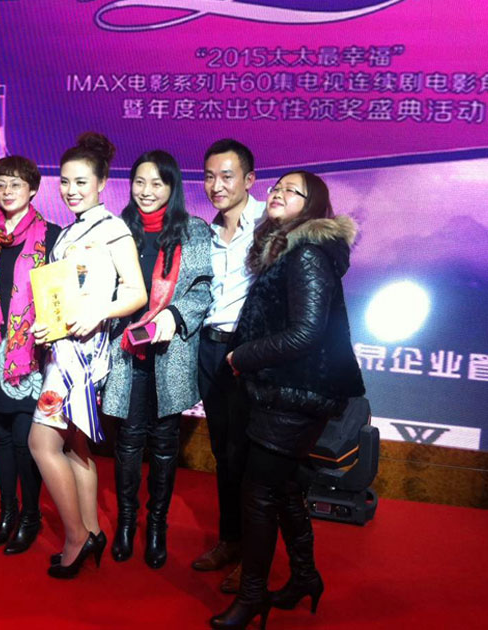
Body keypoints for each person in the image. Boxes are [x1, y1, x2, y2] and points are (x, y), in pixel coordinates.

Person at [210, 171, 365, 629]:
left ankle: (252, 596)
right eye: (276, 187)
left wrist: (242, 356)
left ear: (312, 206)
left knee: (259, 493)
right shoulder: (287, 249)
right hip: (287, 389)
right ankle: (304, 577)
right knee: (285, 487)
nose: (278, 193)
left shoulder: (308, 253)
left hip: (298, 393)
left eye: (291, 191)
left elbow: (306, 333)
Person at [28, 132, 147, 579]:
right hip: (62, 349)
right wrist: (48, 327)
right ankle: (93, 531)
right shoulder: (69, 232)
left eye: (81, 181)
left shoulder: (113, 229)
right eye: (65, 181)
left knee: (41, 443)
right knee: (75, 445)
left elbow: (135, 292)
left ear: (101, 183)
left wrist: (99, 312)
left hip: (83, 355)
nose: (71, 189)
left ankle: (75, 537)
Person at [102, 150, 211, 569]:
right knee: (128, 441)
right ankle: (127, 523)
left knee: (165, 444)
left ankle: (157, 526)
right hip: (125, 352)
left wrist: (174, 314)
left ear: (172, 186)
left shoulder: (193, 231)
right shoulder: (118, 229)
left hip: (170, 351)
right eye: (139, 182)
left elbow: (202, 290)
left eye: (157, 183)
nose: (146, 191)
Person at [0, 156, 60, 554]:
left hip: (29, 351)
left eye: (16, 184)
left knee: (24, 439)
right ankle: (8, 512)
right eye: (1, 184)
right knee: (1, 436)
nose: (7, 191)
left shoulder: (51, 235)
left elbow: (57, 296)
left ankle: (31, 516)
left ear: (33, 189)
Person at [194, 139, 266, 593]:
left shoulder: (270, 224)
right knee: (223, 451)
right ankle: (230, 540)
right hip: (209, 350)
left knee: (252, 457)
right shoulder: (204, 232)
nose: (216, 185)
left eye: (226, 176)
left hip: (250, 353)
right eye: (209, 176)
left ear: (249, 180)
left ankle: (255, 559)